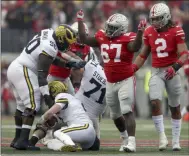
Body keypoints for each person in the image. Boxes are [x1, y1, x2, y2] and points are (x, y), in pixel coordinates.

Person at [76, 10, 147, 152]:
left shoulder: (128, 38)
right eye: (109, 26)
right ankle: (125, 138)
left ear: (121, 28)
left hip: (125, 79)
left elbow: (136, 47)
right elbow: (84, 39)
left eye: (113, 27)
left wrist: (140, 32)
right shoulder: (102, 36)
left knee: (126, 109)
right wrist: (80, 22)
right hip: (110, 81)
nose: (109, 29)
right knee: (114, 115)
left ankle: (132, 142)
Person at [7, 24, 85, 150]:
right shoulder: (49, 47)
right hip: (24, 69)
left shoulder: (48, 33)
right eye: (67, 42)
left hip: (16, 67)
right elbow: (42, 77)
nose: (68, 45)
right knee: (33, 105)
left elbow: (49, 58)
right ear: (60, 39)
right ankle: (22, 141)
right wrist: (48, 99)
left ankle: (17, 138)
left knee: (21, 106)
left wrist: (67, 64)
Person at [132, 3, 189, 151]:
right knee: (155, 102)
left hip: (173, 71)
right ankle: (162, 137)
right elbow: (143, 54)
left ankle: (176, 141)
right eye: (153, 19)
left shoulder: (176, 31)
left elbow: (184, 54)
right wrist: (132, 69)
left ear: (165, 17)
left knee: (175, 108)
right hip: (157, 71)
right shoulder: (149, 31)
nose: (154, 22)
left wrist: (175, 66)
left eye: (157, 18)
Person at [29, 81, 99, 151]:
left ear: (53, 91)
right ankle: (64, 147)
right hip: (86, 135)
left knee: (58, 133)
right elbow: (52, 120)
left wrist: (41, 120)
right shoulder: (72, 100)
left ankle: (72, 146)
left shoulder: (61, 96)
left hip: (83, 128)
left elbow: (48, 114)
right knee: (51, 142)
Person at [48, 22, 98, 95]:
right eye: (78, 35)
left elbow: (95, 63)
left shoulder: (88, 48)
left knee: (74, 98)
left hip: (66, 77)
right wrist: (75, 61)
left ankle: (77, 86)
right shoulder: (65, 43)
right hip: (56, 75)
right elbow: (65, 54)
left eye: (83, 36)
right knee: (55, 99)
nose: (81, 38)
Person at [75, 59, 106, 139]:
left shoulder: (92, 66)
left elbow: (76, 68)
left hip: (76, 108)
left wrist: (76, 83)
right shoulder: (113, 81)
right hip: (92, 117)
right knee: (95, 145)